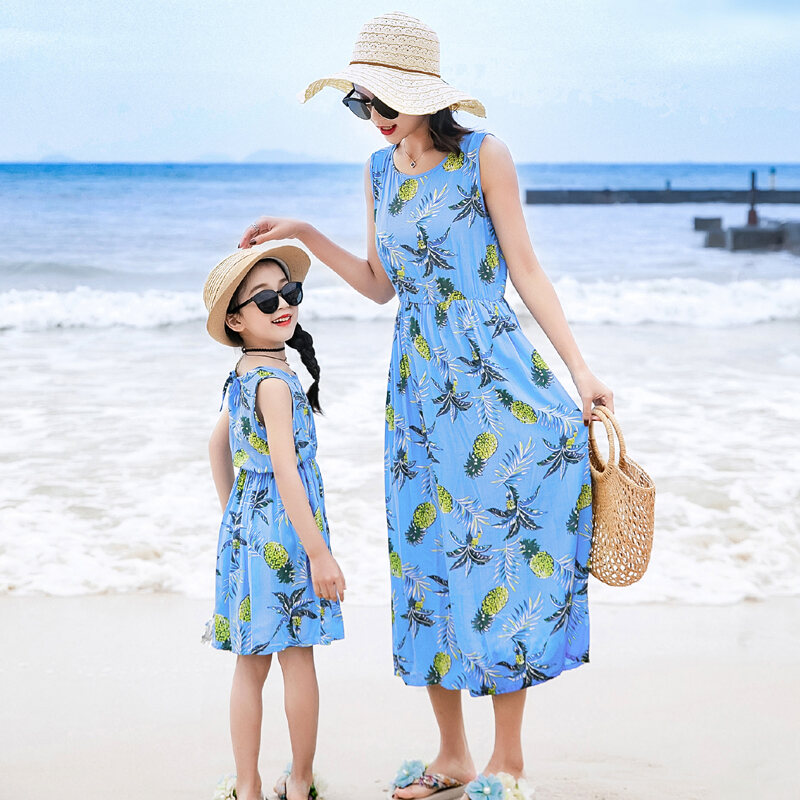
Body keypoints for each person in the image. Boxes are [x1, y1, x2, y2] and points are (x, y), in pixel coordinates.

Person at [238, 12, 613, 800]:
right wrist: (307, 233)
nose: (373, 118)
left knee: (504, 558)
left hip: (494, 377)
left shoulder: (485, 156)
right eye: (359, 104)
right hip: (416, 390)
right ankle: (452, 755)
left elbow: (528, 272)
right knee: (429, 563)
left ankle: (507, 761)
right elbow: (380, 286)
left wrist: (580, 371)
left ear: (422, 96)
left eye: (383, 101)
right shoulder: (378, 175)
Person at [203, 242, 346, 800]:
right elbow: (287, 473)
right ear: (236, 319)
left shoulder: (242, 375)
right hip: (290, 531)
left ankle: (247, 786)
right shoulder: (276, 383)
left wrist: (233, 518)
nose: (283, 306)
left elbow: (215, 448)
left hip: (248, 530)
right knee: (297, 657)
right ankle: (302, 779)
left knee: (248, 665)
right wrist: (318, 554)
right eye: (266, 300)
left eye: (289, 294)